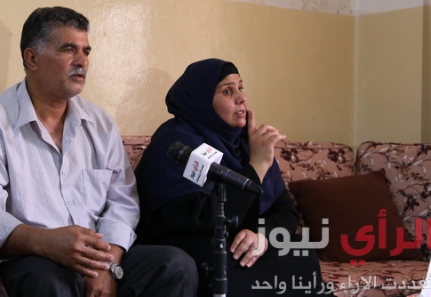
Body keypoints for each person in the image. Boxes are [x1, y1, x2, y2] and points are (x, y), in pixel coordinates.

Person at [0, 6, 198, 297]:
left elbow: (122, 201)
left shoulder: (100, 123)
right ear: (32, 58)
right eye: (69, 50)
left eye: (86, 51)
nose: (82, 62)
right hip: (32, 258)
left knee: (175, 265)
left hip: (98, 256)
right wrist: (47, 242)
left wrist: (107, 266)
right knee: (47, 279)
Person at [134, 58, 323, 297]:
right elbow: (200, 217)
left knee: (299, 250)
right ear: (202, 101)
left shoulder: (245, 144)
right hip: (190, 246)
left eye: (240, 88)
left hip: (238, 245)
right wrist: (257, 166)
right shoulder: (176, 143)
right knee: (224, 262)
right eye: (227, 91)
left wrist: (261, 236)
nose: (241, 98)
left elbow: (286, 211)